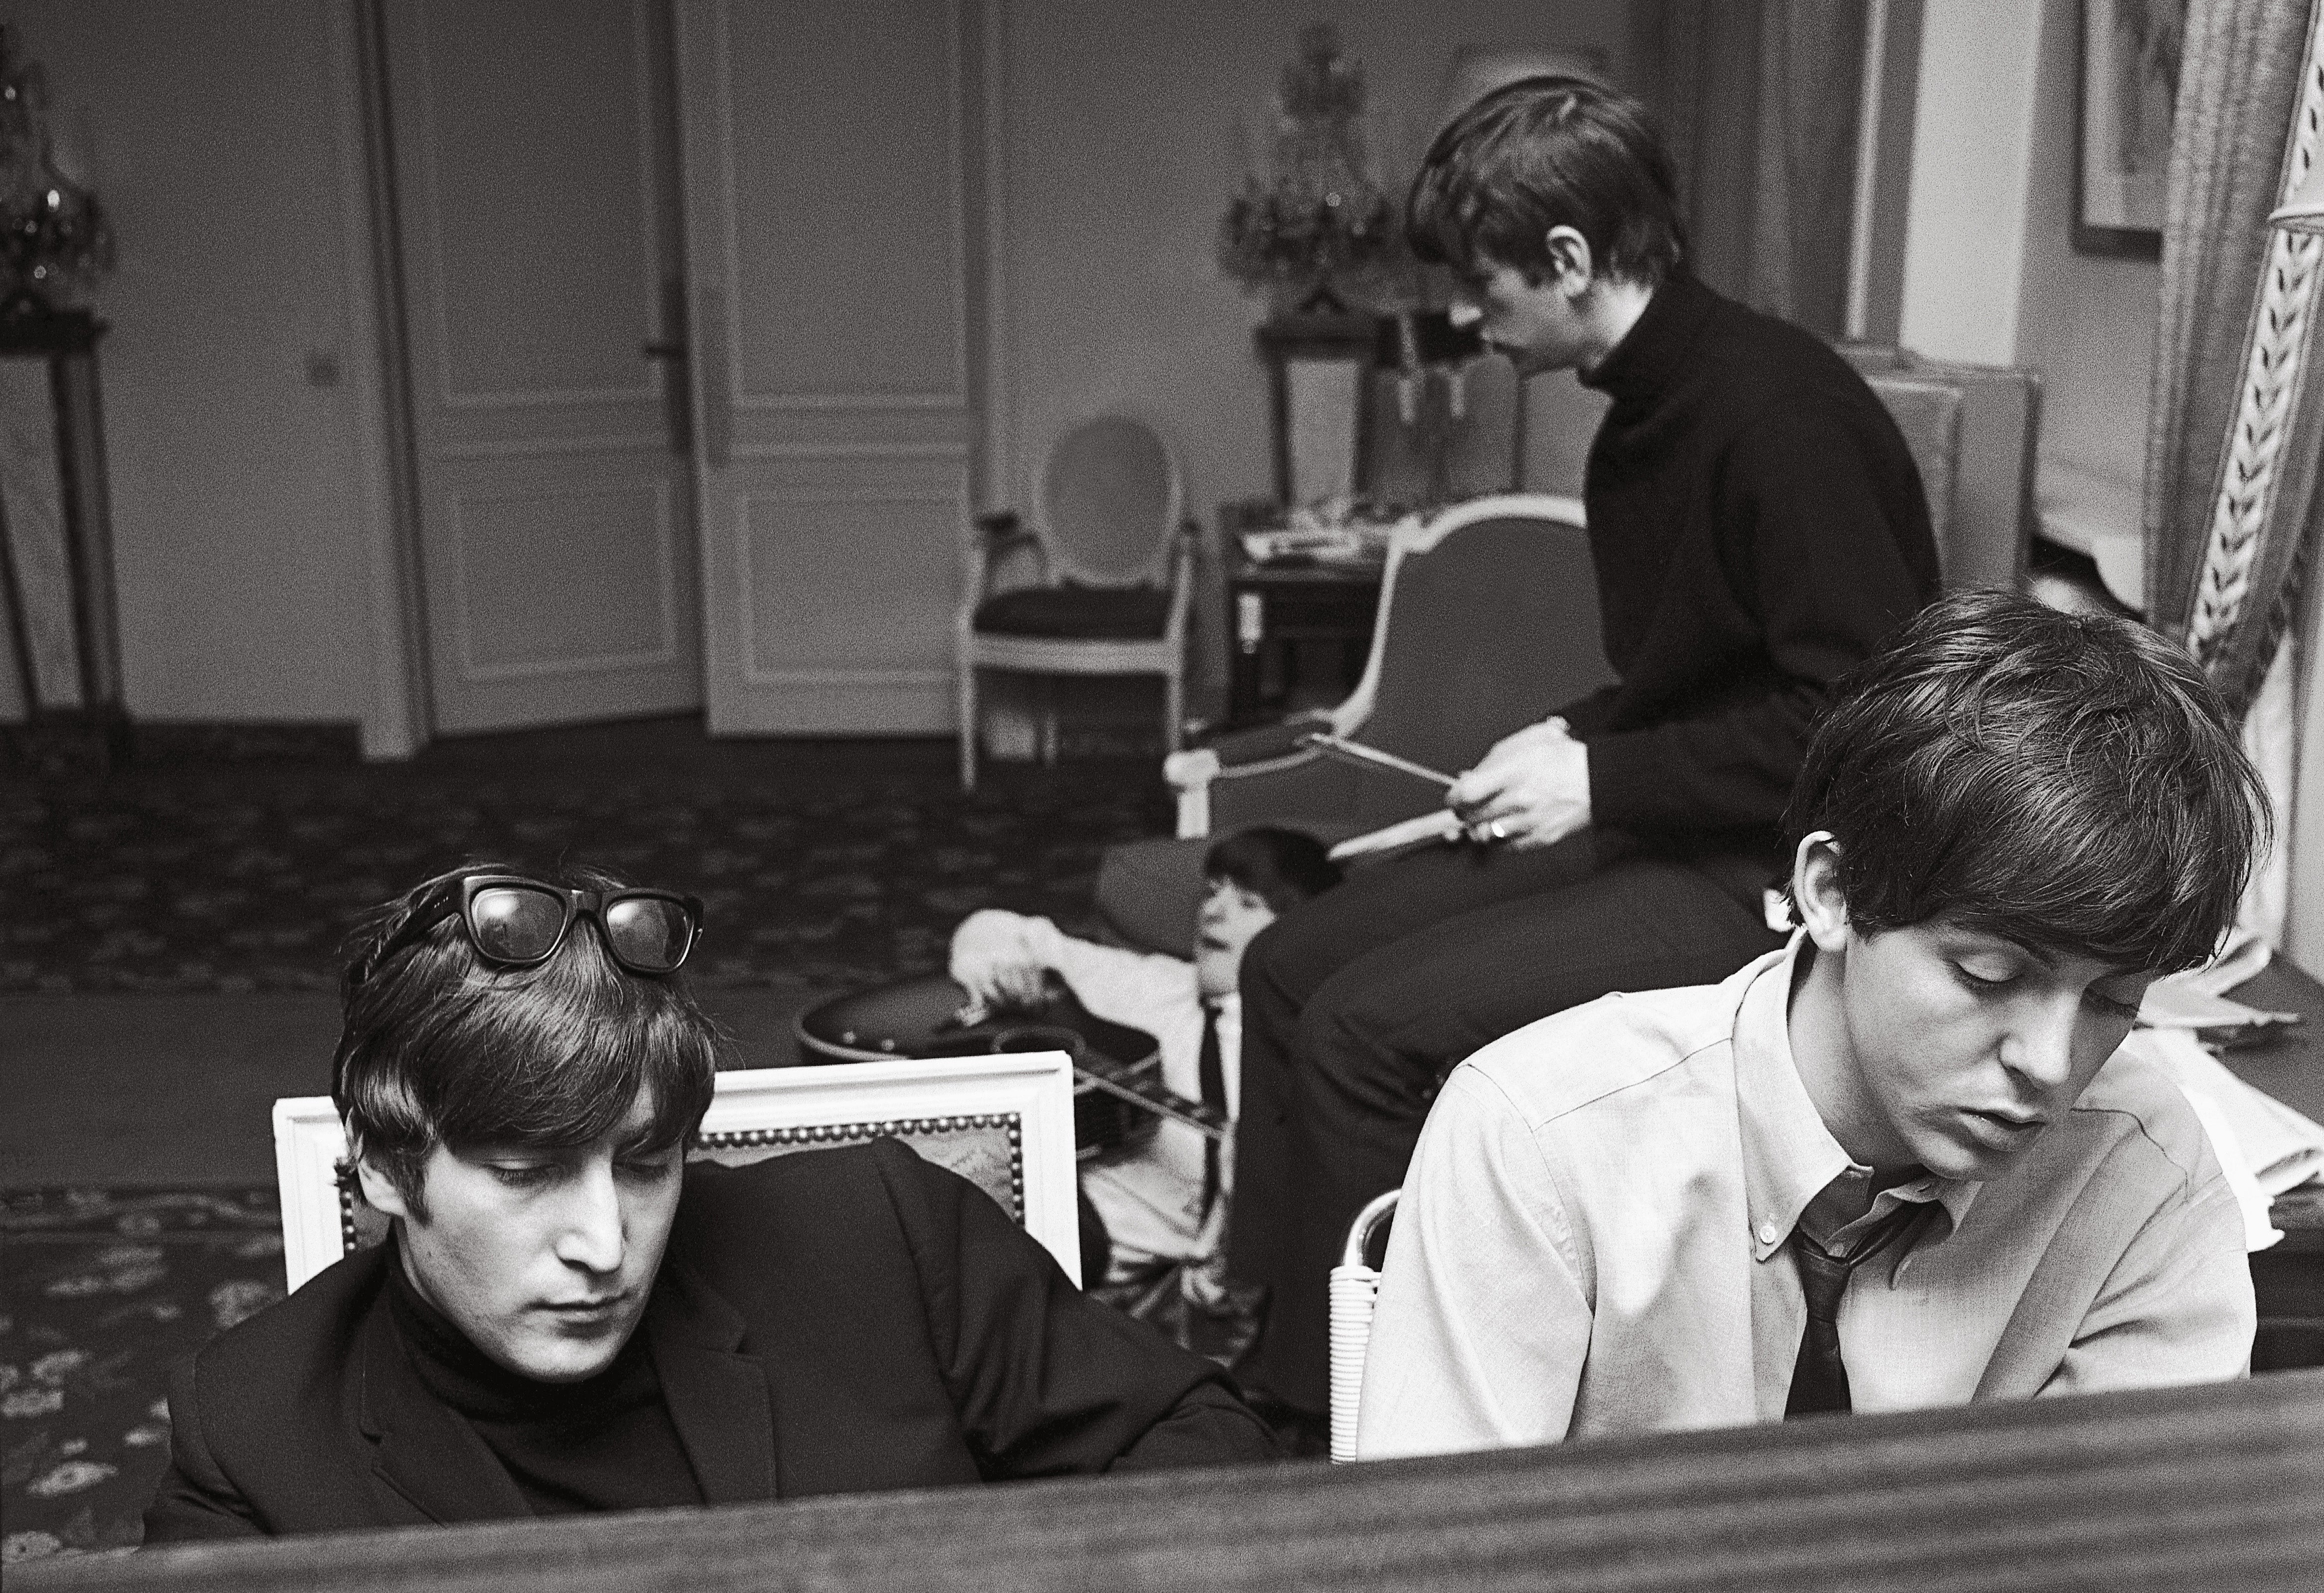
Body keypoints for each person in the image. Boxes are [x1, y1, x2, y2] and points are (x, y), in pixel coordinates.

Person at [1230, 75, 1941, 1418]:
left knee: (1359, 1033)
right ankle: (1275, 1347)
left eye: (1484, 282)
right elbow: (1705, 671)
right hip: (1673, 818)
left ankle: (1359, 1429)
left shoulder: (1775, 418)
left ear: (1566, 260)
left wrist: (1600, 773)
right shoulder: (1650, 405)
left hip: (1775, 878)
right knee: (1286, 960)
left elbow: (1859, 724)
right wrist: (1569, 731)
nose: (1467, 313)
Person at [1357, 592, 2269, 1457]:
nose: (2049, 1061)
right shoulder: (1541, 1144)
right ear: (1831, 892)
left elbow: (2130, 1547)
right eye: (1990, 973)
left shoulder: (2146, 1171)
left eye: (2114, 999)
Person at [145, 862, 1272, 1542]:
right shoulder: (253, 1431)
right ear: (387, 1170)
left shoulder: (875, 1232)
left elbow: (1207, 1438)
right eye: (529, 1174)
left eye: (644, 1164)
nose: (605, 1246)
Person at [945, 828, 1342, 1305]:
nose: (1212, 911)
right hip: (1052, 1192)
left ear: (1296, 933)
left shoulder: (1319, 1042)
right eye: (1213, 891)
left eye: (1249, 903)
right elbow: (992, 927)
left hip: (1096, 1250)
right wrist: (1002, 969)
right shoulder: (1156, 985)